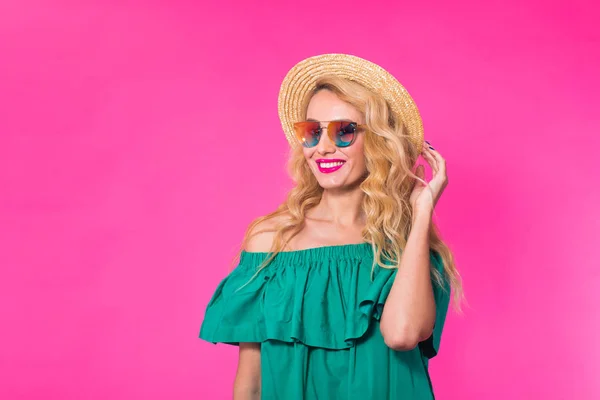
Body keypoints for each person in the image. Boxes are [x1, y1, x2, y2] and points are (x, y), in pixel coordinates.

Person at [199, 53, 462, 400]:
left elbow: (402, 334)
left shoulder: (408, 249)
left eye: (344, 131)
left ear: (379, 142)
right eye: (312, 132)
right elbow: (250, 384)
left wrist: (422, 211)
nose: (322, 147)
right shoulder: (270, 242)